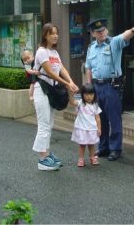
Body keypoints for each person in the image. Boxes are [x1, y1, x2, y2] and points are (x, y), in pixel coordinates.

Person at [85, 18, 134, 161]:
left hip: (111, 86)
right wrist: (88, 86)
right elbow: (88, 67)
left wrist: (133, 30)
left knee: (114, 118)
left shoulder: (114, 43)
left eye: (103, 30)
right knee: (101, 118)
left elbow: (125, 35)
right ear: (93, 33)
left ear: (107, 30)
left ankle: (115, 148)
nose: (101, 33)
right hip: (96, 86)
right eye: (98, 31)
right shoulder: (91, 48)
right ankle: (103, 147)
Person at [32, 23, 79, 171]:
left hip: (50, 90)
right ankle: (42, 159)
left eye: (57, 33)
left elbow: (61, 68)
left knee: (49, 123)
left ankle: (46, 154)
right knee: (44, 124)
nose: (55, 36)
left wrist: (71, 81)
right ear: (45, 35)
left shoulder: (54, 53)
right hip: (41, 89)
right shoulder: (41, 51)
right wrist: (67, 84)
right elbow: (50, 73)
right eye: (52, 33)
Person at [71, 83, 102, 167]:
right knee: (82, 144)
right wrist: (72, 94)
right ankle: (81, 159)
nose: (89, 96)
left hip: (92, 128)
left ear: (94, 95)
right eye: (86, 94)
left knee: (92, 144)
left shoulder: (95, 105)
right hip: (82, 128)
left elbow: (98, 118)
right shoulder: (81, 103)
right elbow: (72, 103)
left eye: (91, 94)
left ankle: (92, 157)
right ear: (82, 95)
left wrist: (99, 128)